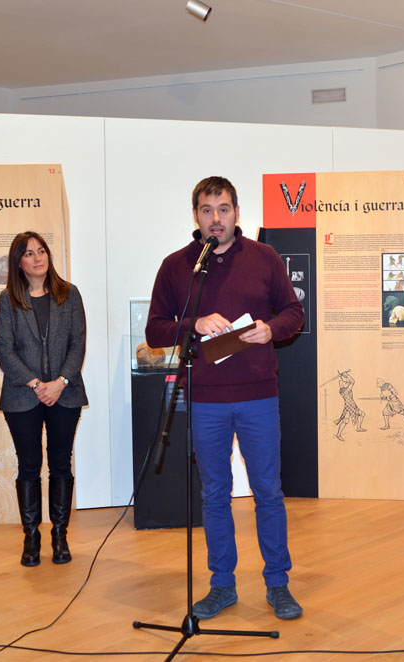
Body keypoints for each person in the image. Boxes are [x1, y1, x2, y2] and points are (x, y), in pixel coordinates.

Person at [146, 176, 305, 620]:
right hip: (206, 399)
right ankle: (222, 586)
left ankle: (278, 584)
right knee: (215, 494)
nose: (216, 218)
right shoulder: (178, 266)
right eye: (206, 210)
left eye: (224, 209)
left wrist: (271, 329)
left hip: (258, 396)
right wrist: (193, 323)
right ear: (195, 215)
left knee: (267, 492)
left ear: (238, 212)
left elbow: (295, 312)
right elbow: (155, 330)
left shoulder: (265, 257)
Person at [0, 231, 87, 567]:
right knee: (29, 466)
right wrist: (37, 384)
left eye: (41, 251)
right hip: (23, 396)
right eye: (29, 253)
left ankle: (59, 535)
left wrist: (60, 382)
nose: (38, 258)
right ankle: (31, 537)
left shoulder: (70, 295)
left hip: (66, 393)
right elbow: (5, 351)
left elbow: (78, 344)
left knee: (61, 464)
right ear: (18, 262)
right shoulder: (8, 299)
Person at [334, 369, 366, 440]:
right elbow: (352, 381)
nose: (345, 383)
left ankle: (359, 427)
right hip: (349, 406)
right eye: (344, 383)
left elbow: (350, 382)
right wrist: (347, 375)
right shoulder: (344, 390)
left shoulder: (345, 386)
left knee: (362, 414)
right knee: (346, 420)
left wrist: (344, 375)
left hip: (352, 404)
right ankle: (338, 434)